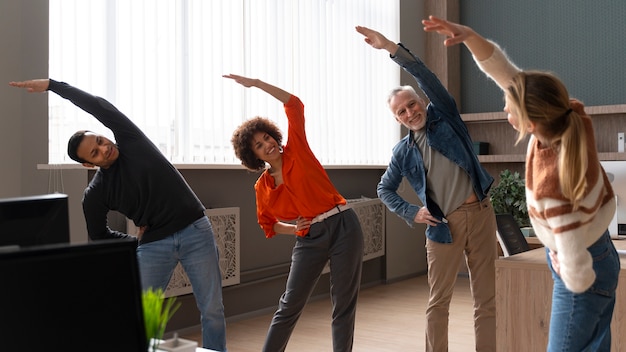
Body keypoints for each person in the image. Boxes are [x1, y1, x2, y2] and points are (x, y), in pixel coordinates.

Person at [422, 15, 621, 351]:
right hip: (601, 249)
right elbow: (506, 73)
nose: (504, 108)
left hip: (581, 268)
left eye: (509, 108)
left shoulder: (552, 180)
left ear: (530, 123)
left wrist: (567, 269)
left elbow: (572, 248)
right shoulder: (569, 115)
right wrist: (471, 37)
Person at [9, 78, 228, 351]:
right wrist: (133, 242)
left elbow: (97, 106)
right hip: (154, 246)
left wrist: (53, 85)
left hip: (195, 230)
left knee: (212, 311)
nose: (104, 148)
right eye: (95, 152)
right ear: (89, 163)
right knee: (139, 316)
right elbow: (98, 236)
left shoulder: (131, 140)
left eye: (100, 140)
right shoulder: (96, 194)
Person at [356, 26, 498, 352]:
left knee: (486, 299)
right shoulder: (402, 153)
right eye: (401, 112)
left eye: (412, 104)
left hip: (480, 215)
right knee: (438, 304)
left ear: (421, 101)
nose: (410, 113)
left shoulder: (445, 117)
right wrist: (412, 212)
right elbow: (384, 189)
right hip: (442, 227)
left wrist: (391, 47)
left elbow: (423, 74)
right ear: (397, 118)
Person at [225, 74, 364, 352]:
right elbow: (267, 224)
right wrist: (296, 228)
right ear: (254, 156)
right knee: (288, 306)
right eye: (259, 145)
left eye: (268, 137)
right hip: (310, 238)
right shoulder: (262, 186)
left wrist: (257, 83)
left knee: (343, 303)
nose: (268, 145)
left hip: (343, 225)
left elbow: (294, 104)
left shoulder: (297, 149)